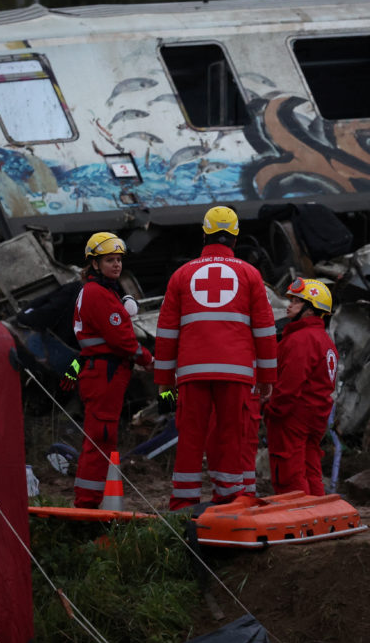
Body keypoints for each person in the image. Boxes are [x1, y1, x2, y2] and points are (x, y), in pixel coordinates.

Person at [154, 206, 277, 511]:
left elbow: (166, 333)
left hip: (192, 371)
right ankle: (230, 500)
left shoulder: (181, 275)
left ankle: (183, 503)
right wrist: (267, 378)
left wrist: (164, 381)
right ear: (234, 238)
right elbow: (265, 331)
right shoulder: (250, 274)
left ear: (204, 234)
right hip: (236, 371)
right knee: (231, 435)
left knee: (191, 435)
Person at [71, 231, 152, 508]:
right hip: (104, 373)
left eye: (118, 260)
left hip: (104, 372)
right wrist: (148, 359)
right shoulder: (98, 293)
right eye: (109, 260)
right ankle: (88, 504)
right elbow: (123, 340)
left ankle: (91, 500)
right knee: (101, 437)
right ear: (95, 264)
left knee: (102, 437)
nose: (116, 265)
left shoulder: (100, 291)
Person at [265, 277, 338, 496]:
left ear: (309, 310)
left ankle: (299, 523)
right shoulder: (325, 340)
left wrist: (272, 410)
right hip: (315, 417)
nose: (289, 305)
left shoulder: (301, 340)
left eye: (296, 301)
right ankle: (318, 518)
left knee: (290, 475)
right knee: (310, 470)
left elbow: (289, 384)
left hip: (293, 416)